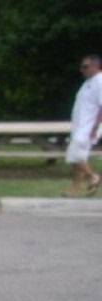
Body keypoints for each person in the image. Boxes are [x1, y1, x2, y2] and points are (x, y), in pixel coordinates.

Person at [64, 54, 102, 197]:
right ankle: (74, 189)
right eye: (81, 67)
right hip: (80, 126)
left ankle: (93, 177)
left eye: (85, 67)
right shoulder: (88, 82)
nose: (82, 70)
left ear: (96, 66)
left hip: (90, 127)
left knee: (73, 156)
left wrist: (95, 127)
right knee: (79, 157)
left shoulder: (100, 81)